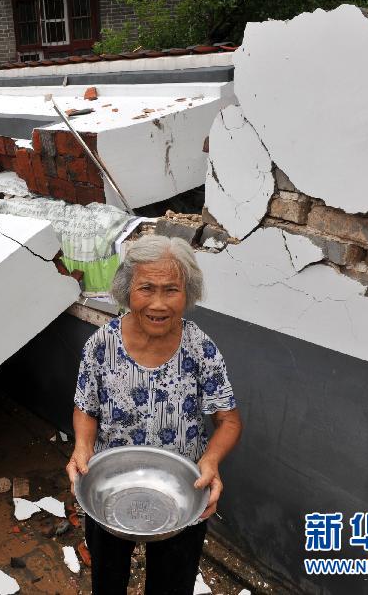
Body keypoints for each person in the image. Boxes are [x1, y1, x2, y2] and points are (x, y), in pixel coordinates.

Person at [66, 234, 243, 595]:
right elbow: (85, 408)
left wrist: (211, 461)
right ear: (126, 290)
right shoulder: (102, 345)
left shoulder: (200, 349)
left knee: (172, 586)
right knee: (107, 583)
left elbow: (228, 420)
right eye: (146, 288)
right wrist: (82, 447)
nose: (159, 304)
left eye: (171, 290)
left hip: (182, 491)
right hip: (109, 485)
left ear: (187, 294)